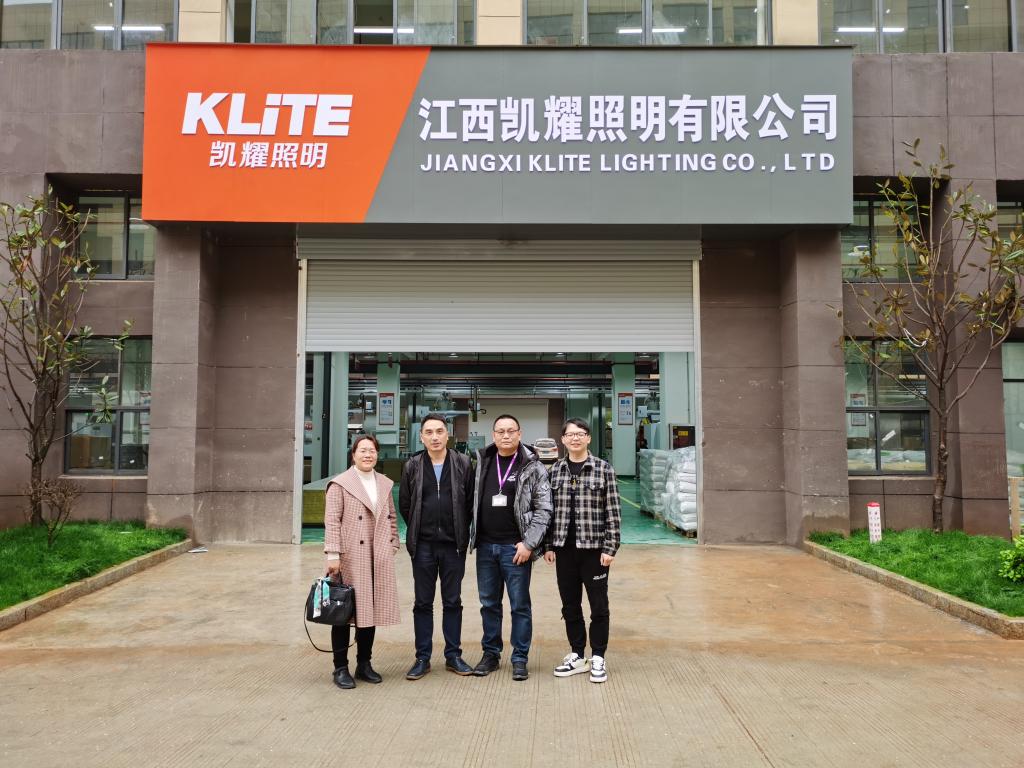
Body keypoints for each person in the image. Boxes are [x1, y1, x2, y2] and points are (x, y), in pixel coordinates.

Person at [469, 414, 553, 681]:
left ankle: (519, 658)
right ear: (493, 434)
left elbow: (544, 509)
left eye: (510, 431)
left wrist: (529, 544)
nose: (505, 435)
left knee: (519, 605)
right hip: (485, 547)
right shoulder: (482, 461)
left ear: (519, 433)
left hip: (516, 549)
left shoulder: (533, 466)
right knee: (489, 604)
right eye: (500, 431)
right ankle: (491, 654)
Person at [544, 418, 621, 684]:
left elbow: (613, 511)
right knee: (570, 605)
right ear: (563, 440)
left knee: (598, 606)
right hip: (564, 550)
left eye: (580, 434)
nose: (575, 438)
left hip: (594, 551)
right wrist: (549, 545)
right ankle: (577, 654)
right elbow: (548, 512)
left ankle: (598, 656)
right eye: (570, 434)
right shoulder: (555, 471)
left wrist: (610, 547)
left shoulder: (603, 469)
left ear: (588, 438)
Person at [398, 413, 475, 679]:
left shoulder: (463, 463)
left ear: (447, 434)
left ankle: (453, 655)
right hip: (423, 546)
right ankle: (423, 658)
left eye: (439, 431)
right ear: (421, 437)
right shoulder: (413, 465)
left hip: (453, 546)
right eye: (429, 432)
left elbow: (469, 503)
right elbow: (406, 504)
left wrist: (458, 529)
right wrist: (422, 529)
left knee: (452, 601)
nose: (434, 437)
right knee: (423, 602)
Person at [323, 433, 401, 689]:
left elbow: (391, 517)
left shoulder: (384, 483)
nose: (368, 455)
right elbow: (332, 521)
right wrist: (333, 554)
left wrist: (392, 543)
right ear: (353, 455)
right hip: (349, 557)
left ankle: (364, 664)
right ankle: (340, 668)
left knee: (370, 611)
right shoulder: (340, 484)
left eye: (372, 450)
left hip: (377, 555)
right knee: (343, 613)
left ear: (377, 454)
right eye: (363, 450)